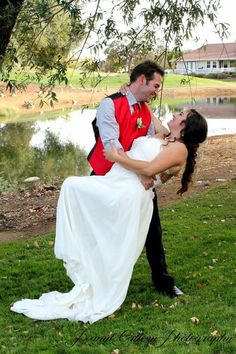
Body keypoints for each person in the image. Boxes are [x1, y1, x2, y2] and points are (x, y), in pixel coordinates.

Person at [11, 109, 208, 323]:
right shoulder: (165, 135)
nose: (175, 114)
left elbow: (150, 168)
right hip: (117, 181)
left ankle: (104, 285)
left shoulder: (179, 149)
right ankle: (93, 274)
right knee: (80, 199)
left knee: (76, 191)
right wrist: (129, 91)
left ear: (186, 126)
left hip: (127, 193)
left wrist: (117, 157)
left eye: (180, 114)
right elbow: (146, 111)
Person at [88, 60, 181, 297]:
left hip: (138, 179)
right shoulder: (110, 104)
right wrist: (142, 173)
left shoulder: (144, 108)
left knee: (153, 230)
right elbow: (112, 148)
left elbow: (164, 133)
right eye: (156, 85)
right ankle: (94, 280)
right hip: (105, 175)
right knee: (100, 231)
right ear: (142, 80)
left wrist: (146, 171)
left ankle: (164, 282)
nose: (157, 91)